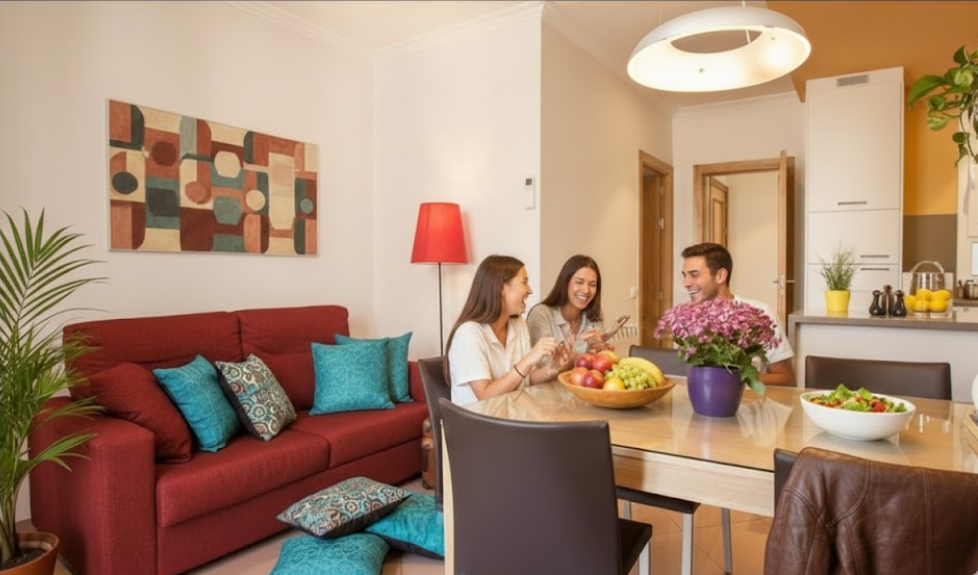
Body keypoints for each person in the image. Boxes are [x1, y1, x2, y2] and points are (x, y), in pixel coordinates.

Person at [445, 255, 571, 406]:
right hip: (477, 419)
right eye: (524, 282)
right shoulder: (468, 334)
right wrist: (529, 358)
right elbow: (485, 396)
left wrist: (552, 369)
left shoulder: (518, 325)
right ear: (501, 288)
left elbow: (528, 378)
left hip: (512, 414)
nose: (530, 290)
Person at [679, 242, 795, 386]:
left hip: (746, 399)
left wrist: (735, 380)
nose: (686, 283)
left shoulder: (759, 313)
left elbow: (786, 379)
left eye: (694, 275)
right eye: (684, 275)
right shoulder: (686, 318)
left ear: (720, 276)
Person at [526, 255, 627, 364]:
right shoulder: (541, 314)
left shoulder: (592, 318)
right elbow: (544, 366)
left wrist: (601, 346)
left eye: (592, 284)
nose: (586, 290)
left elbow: (592, 363)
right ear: (565, 282)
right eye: (579, 282)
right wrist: (580, 346)